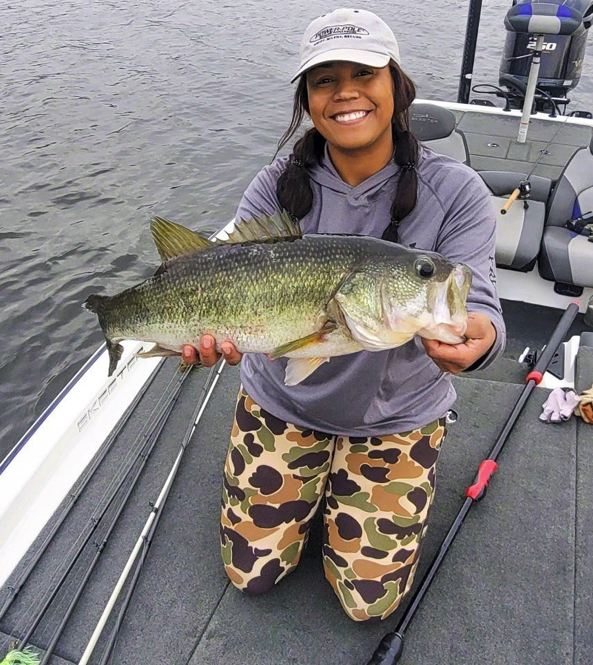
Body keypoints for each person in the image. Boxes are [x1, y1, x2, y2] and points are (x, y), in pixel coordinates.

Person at [183, 8, 506, 622]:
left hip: (396, 416)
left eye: (364, 74)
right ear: (307, 100)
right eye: (325, 80)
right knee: (250, 573)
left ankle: (348, 496)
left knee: (369, 604)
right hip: (282, 402)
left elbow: (481, 306)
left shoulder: (457, 191)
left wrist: (479, 338)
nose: (346, 92)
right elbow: (226, 272)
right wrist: (209, 334)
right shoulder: (276, 185)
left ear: (397, 87)